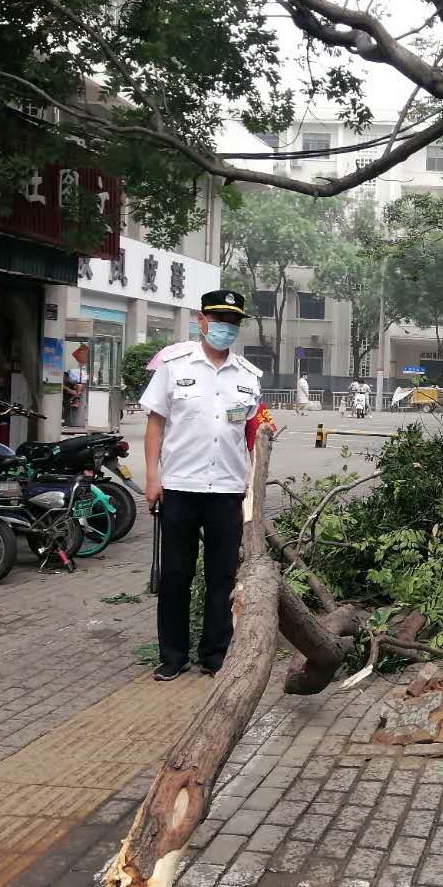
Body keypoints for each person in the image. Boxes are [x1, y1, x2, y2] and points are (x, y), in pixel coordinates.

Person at [140, 289, 267, 681]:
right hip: (179, 486)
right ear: (201, 320)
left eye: (232, 323)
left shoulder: (248, 377)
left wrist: (253, 477)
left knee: (222, 577)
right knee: (176, 575)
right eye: (217, 320)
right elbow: (155, 426)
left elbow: (250, 430)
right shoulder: (174, 366)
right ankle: (173, 656)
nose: (224, 329)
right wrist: (151, 477)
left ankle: (215, 654)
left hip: (227, 489)